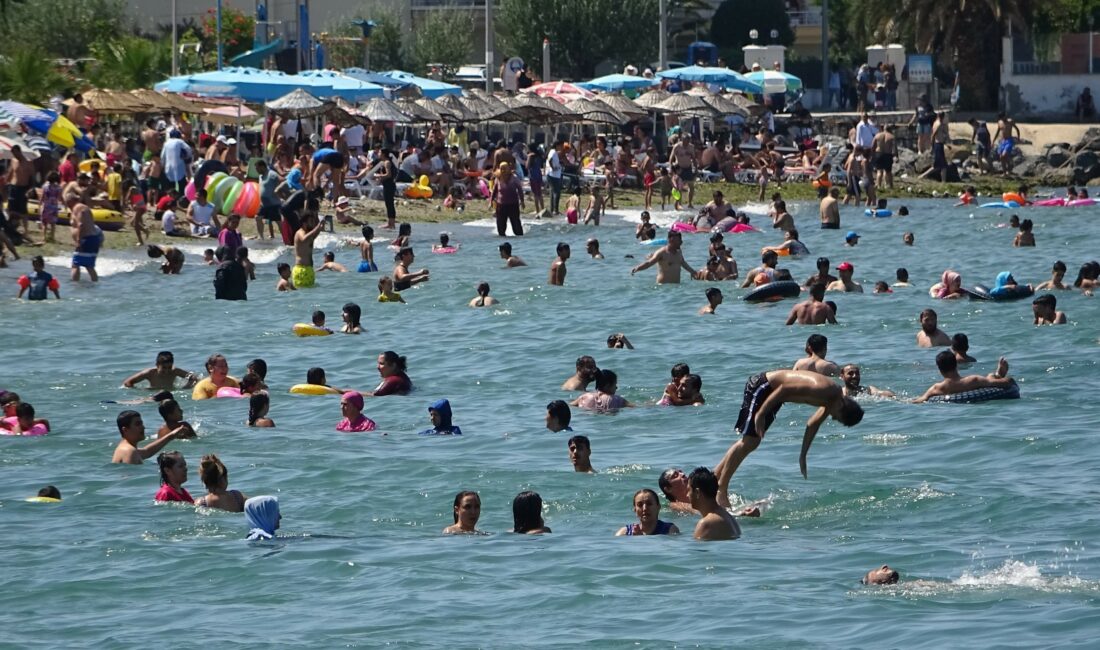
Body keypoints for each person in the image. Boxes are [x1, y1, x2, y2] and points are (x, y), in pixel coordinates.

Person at [714, 370, 864, 485]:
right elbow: (784, 388)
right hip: (763, 386)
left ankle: (714, 478)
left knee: (752, 441)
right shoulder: (824, 390)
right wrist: (760, 414)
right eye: (836, 417)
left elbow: (812, 424)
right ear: (842, 406)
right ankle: (721, 489)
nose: (832, 417)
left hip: (774, 397)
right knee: (750, 441)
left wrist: (803, 456)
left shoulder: (831, 401)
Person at [914, 353, 1017, 403]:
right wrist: (1009, 380)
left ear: (939, 370)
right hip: (978, 390)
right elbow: (1007, 383)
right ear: (956, 365)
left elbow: (920, 400)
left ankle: (996, 374)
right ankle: (998, 374)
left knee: (989, 377)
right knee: (990, 377)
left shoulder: (936, 388)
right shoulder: (973, 380)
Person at [111, 410, 183, 464]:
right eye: (138, 424)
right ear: (125, 430)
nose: (143, 427)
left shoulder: (128, 448)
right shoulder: (129, 451)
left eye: (142, 424)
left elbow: (147, 451)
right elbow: (131, 481)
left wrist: (171, 435)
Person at [688, 467, 740, 541]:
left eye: (688, 490)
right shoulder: (728, 517)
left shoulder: (706, 523)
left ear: (697, 492)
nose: (687, 495)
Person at [630, 231, 696, 284]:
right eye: (679, 240)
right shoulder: (662, 252)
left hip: (676, 288)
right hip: (663, 288)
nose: (681, 242)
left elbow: (682, 262)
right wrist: (637, 268)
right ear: (671, 240)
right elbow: (649, 263)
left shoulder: (679, 252)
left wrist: (692, 272)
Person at [616, 489, 680, 536]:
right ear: (635, 509)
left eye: (649, 504)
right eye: (640, 505)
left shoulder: (670, 530)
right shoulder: (624, 533)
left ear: (658, 507)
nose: (645, 508)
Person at [123, 351, 199, 390]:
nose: (167, 371)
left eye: (169, 367)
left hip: (170, 393)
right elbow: (127, 383)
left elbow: (194, 378)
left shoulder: (175, 371)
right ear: (157, 365)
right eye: (163, 368)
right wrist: (140, 391)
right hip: (154, 393)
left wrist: (185, 388)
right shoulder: (149, 373)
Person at [489, 162, 525, 236]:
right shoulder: (498, 178)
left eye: (505, 169)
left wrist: (522, 201)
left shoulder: (514, 178)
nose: (503, 171)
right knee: (501, 227)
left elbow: (520, 190)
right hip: (501, 205)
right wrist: (491, 202)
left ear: (508, 169)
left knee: (516, 227)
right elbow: (494, 191)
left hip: (513, 205)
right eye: (502, 169)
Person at [293, 207, 325, 288]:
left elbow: (313, 236)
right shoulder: (300, 232)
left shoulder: (308, 234)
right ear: (304, 223)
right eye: (311, 221)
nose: (313, 223)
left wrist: (321, 226)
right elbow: (304, 239)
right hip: (301, 270)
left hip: (309, 269)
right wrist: (317, 227)